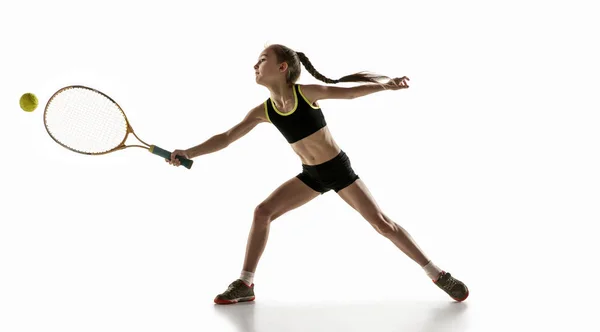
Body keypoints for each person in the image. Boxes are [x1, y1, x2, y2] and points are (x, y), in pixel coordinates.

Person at [167, 44, 469, 304]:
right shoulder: (265, 110)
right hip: (310, 175)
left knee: (383, 225)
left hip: (338, 170)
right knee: (262, 212)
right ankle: (245, 284)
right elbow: (227, 136)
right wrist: (189, 152)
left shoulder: (304, 93)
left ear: (282, 67)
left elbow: (348, 94)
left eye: (262, 59)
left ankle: (436, 274)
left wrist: (385, 84)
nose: (255, 65)